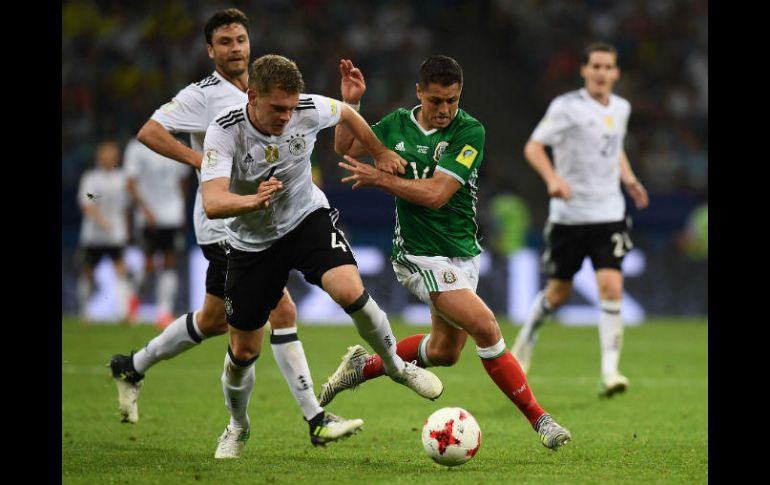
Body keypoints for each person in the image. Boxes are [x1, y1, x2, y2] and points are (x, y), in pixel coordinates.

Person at [200, 54, 443, 459]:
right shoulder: (225, 131)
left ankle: (397, 367)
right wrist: (250, 202)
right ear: (251, 95)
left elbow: (346, 111)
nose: (285, 117)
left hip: (305, 219)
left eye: (291, 108)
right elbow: (212, 202)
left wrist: (378, 151)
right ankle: (237, 426)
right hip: (251, 241)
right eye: (277, 108)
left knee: (351, 291)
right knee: (243, 350)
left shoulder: (308, 109)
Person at [329, 56, 571, 450]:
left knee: (444, 352)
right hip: (417, 256)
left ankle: (363, 366)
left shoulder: (470, 130)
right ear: (419, 92)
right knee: (487, 327)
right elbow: (346, 145)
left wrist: (382, 180)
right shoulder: (395, 125)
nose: (444, 110)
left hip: (461, 252)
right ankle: (541, 421)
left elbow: (438, 196)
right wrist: (351, 106)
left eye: (452, 101)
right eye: (436, 101)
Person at [108, 10, 306, 440]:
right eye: (225, 42)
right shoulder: (202, 95)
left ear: (249, 43)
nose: (235, 48)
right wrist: (201, 160)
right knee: (282, 306)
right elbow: (150, 131)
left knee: (214, 319)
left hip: (255, 219)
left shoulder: (261, 89)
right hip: (223, 224)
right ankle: (316, 417)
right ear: (210, 50)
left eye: (240, 39)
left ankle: (131, 366)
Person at [509, 42, 649, 397]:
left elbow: (614, 148)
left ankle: (610, 372)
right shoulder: (566, 107)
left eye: (608, 67)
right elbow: (533, 147)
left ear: (616, 73)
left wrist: (629, 179)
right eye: (596, 67)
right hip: (569, 217)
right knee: (558, 293)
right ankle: (526, 340)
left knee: (611, 287)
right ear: (584, 71)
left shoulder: (621, 108)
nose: (602, 73)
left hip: (609, 213)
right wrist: (553, 179)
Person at [123, 137, 191, 327]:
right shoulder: (137, 148)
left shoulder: (179, 145)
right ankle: (133, 302)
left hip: (172, 216)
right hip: (148, 217)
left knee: (170, 260)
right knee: (149, 263)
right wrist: (144, 209)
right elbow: (130, 183)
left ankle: (164, 312)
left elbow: (183, 181)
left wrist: (179, 207)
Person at [77, 140, 134, 322]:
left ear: (117, 158)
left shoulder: (122, 179)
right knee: (88, 272)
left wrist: (128, 230)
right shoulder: (91, 178)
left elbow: (126, 208)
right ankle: (84, 312)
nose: (108, 158)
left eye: (112, 155)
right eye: (105, 154)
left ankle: (125, 313)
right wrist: (102, 221)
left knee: (121, 270)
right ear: (99, 157)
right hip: (93, 235)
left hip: (116, 234)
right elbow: (87, 204)